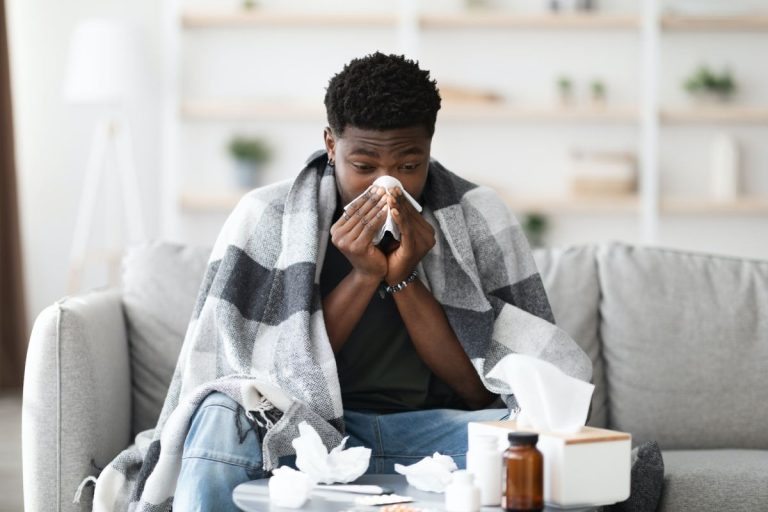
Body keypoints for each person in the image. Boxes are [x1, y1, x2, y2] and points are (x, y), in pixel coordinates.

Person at [167, 52, 591, 510]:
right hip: (302, 434)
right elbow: (260, 383)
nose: (387, 187)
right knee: (217, 416)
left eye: (409, 166)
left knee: (540, 447)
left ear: (429, 146)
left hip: (428, 433)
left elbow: (481, 391)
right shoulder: (266, 216)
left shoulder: (477, 217)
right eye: (364, 167)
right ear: (331, 144)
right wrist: (363, 276)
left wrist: (406, 278)